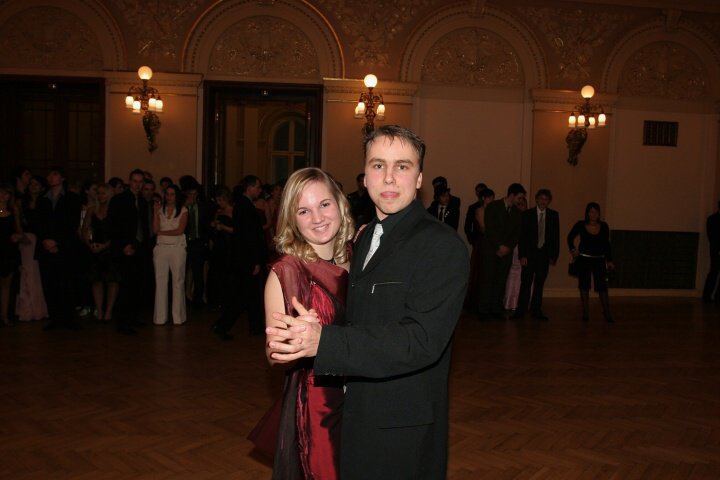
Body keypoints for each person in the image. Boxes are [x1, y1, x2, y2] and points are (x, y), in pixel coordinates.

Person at [266, 125, 470, 479]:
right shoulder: (363, 239)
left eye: (402, 166)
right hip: (350, 417)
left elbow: (421, 340)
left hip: (399, 431)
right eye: (378, 165)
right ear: (365, 176)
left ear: (419, 178)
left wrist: (324, 341)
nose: (389, 177)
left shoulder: (441, 245)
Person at [250, 167, 354, 479]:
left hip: (363, 396)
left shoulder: (357, 255)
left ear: (340, 203)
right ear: (292, 219)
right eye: (304, 211)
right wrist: (292, 343)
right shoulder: (286, 272)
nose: (317, 218)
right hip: (319, 403)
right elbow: (273, 354)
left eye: (324, 204)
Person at [211, 175, 266, 339]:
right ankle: (222, 325)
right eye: (257, 187)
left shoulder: (243, 205)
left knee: (250, 294)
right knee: (242, 295)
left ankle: (255, 327)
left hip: (244, 257)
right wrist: (255, 261)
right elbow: (248, 236)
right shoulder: (244, 206)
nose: (260, 190)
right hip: (246, 259)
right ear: (249, 188)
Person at [35, 167, 83, 331]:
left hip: (65, 247)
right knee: (50, 284)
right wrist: (46, 240)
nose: (51, 177)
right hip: (45, 247)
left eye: (55, 174)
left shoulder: (72, 198)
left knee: (67, 283)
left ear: (62, 178)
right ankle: (55, 318)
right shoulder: (42, 199)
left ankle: (69, 318)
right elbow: (39, 224)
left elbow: (71, 224)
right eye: (49, 174)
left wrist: (57, 242)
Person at [107, 169, 150, 335]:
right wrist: (122, 246)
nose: (137, 184)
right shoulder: (119, 200)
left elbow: (144, 227)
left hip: (139, 249)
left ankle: (132, 317)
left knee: (137, 285)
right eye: (135, 181)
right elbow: (113, 226)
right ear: (129, 181)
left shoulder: (143, 201)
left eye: (140, 182)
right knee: (125, 286)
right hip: (124, 248)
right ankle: (122, 322)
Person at [478, 183, 526, 319]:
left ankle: (496, 309)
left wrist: (508, 247)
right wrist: (499, 246)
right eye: (519, 197)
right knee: (488, 279)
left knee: (501, 280)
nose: (521, 201)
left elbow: (517, 234)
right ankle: (483, 310)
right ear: (511, 195)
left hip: (507, 252)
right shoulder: (493, 206)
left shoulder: (517, 212)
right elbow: (490, 228)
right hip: (491, 249)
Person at [512, 188, 560, 320]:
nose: (543, 201)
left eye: (546, 199)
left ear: (549, 201)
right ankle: (520, 310)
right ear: (536, 199)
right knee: (526, 282)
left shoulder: (553, 215)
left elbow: (556, 237)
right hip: (529, 255)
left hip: (544, 255)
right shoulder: (527, 214)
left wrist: (553, 256)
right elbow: (522, 237)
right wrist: (522, 255)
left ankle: (536, 310)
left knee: (539, 284)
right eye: (541, 198)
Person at [567, 202, 615, 322]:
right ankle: (585, 312)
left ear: (599, 213)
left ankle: (607, 312)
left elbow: (607, 244)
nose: (593, 214)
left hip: (599, 259)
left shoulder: (604, 226)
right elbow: (570, 237)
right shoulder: (580, 224)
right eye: (591, 212)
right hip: (584, 259)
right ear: (587, 213)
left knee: (602, 286)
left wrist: (609, 260)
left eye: (596, 212)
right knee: (584, 285)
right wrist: (573, 249)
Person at [80, 183, 120, 322]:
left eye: (103, 193)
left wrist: (105, 245)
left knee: (112, 280)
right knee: (96, 280)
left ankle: (108, 311)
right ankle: (99, 310)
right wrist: (89, 244)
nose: (101, 196)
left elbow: (118, 232)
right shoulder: (91, 210)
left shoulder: (114, 210)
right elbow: (85, 229)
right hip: (95, 248)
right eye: (99, 193)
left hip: (110, 248)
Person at [152, 184, 188, 326]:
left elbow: (179, 230)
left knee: (178, 281)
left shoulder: (183, 210)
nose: (169, 197)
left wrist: (162, 232)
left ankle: (178, 317)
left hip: (177, 248)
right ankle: (160, 317)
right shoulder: (160, 209)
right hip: (161, 248)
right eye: (167, 194)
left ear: (176, 196)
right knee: (160, 282)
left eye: (172, 194)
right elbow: (155, 229)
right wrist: (155, 213)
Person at [0, 184, 25, 326]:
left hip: (8, 251)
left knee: (6, 285)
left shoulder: (13, 210)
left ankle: (4, 316)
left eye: (6, 193)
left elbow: (19, 230)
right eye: (0, 193)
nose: (3, 196)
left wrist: (18, 236)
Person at [504, 195, 528, 312]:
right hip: (514, 247)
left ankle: (523, 302)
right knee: (513, 273)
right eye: (518, 204)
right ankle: (510, 301)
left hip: (525, 248)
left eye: (523, 205)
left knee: (525, 274)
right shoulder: (511, 216)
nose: (520, 207)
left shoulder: (528, 217)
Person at [702, 201, 720, 302]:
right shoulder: (712, 219)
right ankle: (707, 296)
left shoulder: (712, 219)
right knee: (714, 272)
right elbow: (712, 237)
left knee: (714, 272)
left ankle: (717, 296)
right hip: (716, 250)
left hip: (715, 249)